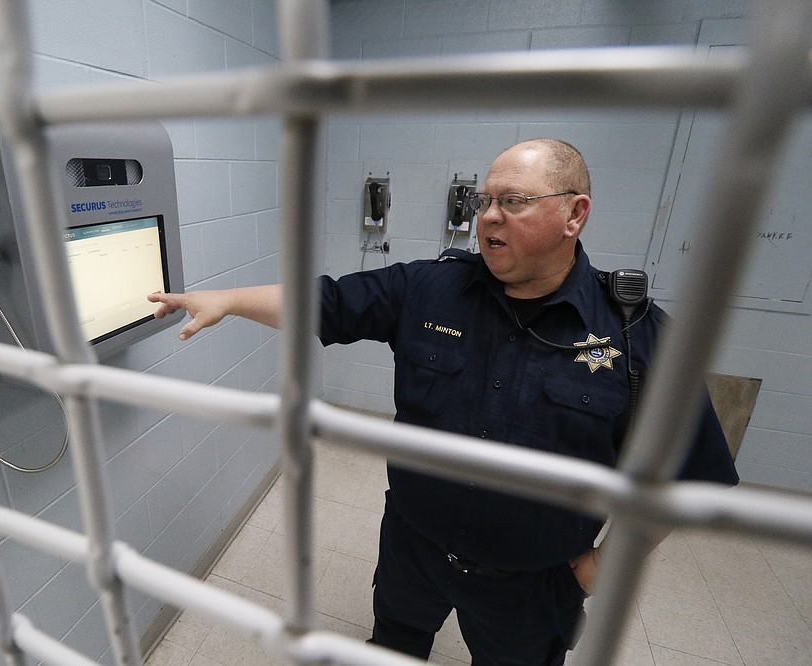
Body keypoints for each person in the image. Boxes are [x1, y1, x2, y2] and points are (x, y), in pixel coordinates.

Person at [148, 139, 739, 665]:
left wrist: (597, 570)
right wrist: (226, 298)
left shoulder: (636, 333)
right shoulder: (430, 288)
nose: (488, 218)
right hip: (414, 549)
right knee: (396, 644)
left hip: (533, 586)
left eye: (513, 201)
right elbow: (324, 302)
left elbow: (692, 474)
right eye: (484, 201)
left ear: (573, 214)